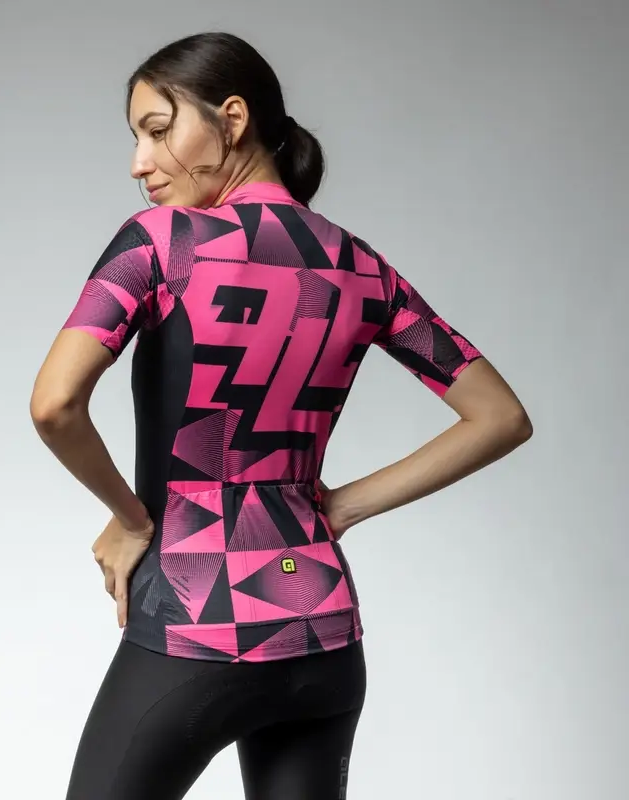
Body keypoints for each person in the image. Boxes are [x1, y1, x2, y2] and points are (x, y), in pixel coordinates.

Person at [30, 31, 533, 800]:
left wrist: (131, 520)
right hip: (324, 632)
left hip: (198, 618)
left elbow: (55, 404)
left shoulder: (161, 245)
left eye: (158, 131)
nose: (139, 162)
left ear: (232, 118)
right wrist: (341, 507)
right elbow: (500, 416)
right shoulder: (359, 265)